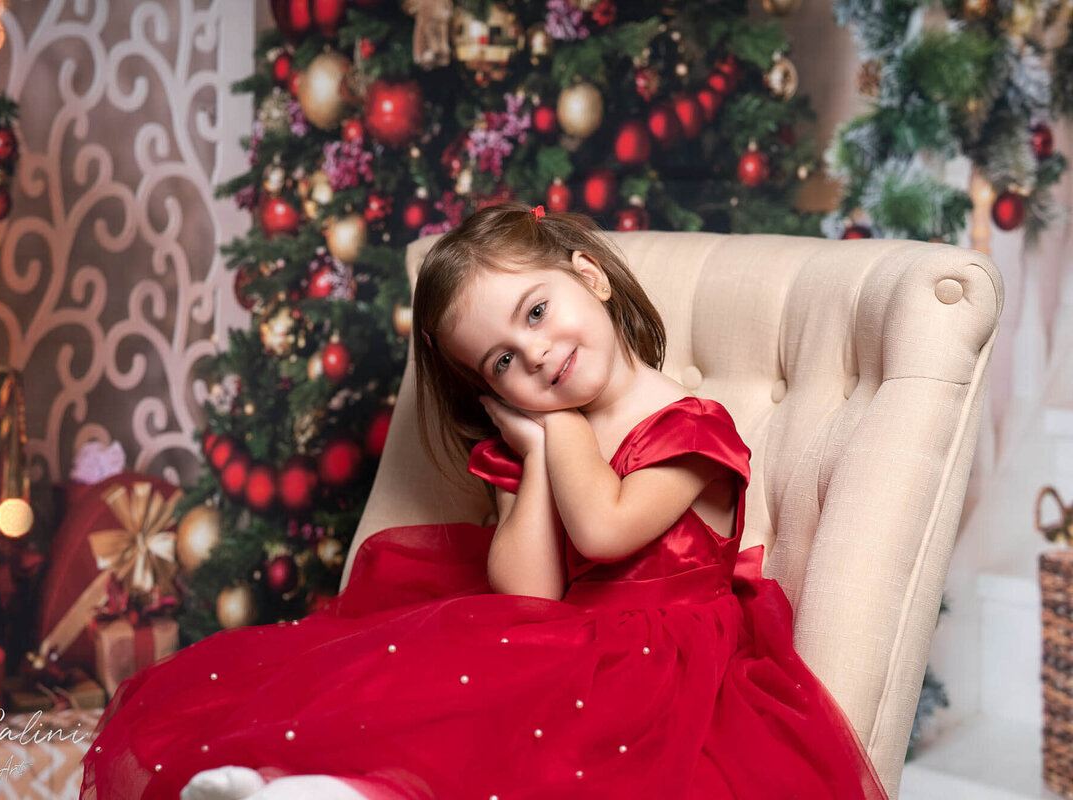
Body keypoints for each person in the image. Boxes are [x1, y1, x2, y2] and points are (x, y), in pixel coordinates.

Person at [80, 203, 889, 800]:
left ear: (590, 278)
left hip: (663, 669)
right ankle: (305, 782)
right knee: (423, 711)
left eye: (536, 312)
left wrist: (557, 430)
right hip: (555, 639)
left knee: (526, 763)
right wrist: (533, 462)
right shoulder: (538, 443)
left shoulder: (690, 428)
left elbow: (604, 530)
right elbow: (527, 592)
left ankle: (345, 795)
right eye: (502, 361)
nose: (535, 353)